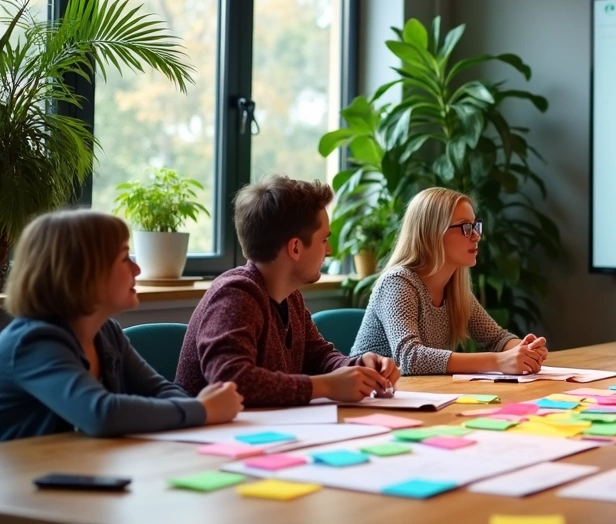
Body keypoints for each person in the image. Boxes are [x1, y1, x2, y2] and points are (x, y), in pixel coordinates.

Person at [0, 211, 243, 441]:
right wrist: (202, 410)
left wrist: (198, 409)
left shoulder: (107, 332)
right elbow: (101, 414)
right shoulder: (33, 342)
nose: (137, 269)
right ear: (83, 272)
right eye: (125, 257)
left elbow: (161, 390)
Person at [176, 175, 400, 406]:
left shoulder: (290, 296)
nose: (330, 250)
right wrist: (327, 386)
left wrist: (357, 366)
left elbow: (317, 356)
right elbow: (231, 381)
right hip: (213, 438)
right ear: (295, 248)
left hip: (263, 432)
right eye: (324, 240)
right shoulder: (235, 294)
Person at [351, 187, 548, 375]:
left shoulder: (454, 287)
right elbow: (410, 358)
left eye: (475, 225)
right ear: (432, 233)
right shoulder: (397, 282)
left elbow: (496, 338)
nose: (476, 236)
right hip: (371, 399)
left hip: (420, 395)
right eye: (465, 227)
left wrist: (525, 351)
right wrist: (498, 361)